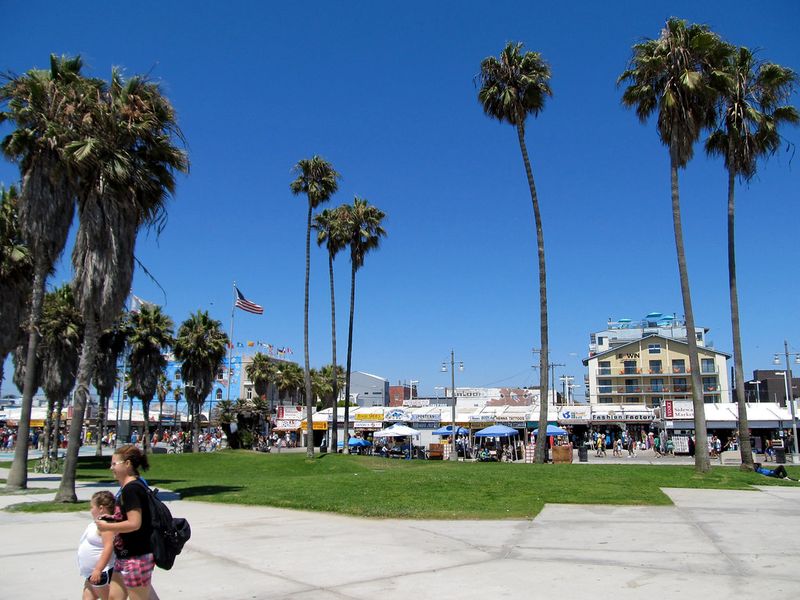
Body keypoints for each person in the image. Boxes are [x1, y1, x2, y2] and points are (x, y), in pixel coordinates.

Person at [96, 444, 160, 600]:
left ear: (127, 464)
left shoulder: (132, 489)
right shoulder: (129, 488)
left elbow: (134, 523)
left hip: (136, 557)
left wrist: (108, 526)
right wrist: (112, 519)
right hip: (125, 556)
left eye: (114, 464)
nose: (111, 468)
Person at [78, 491, 116, 600]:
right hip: (90, 573)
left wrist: (98, 570)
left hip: (100, 573)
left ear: (101, 508)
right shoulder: (97, 522)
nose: (90, 510)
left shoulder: (105, 524)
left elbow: (108, 547)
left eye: (92, 507)